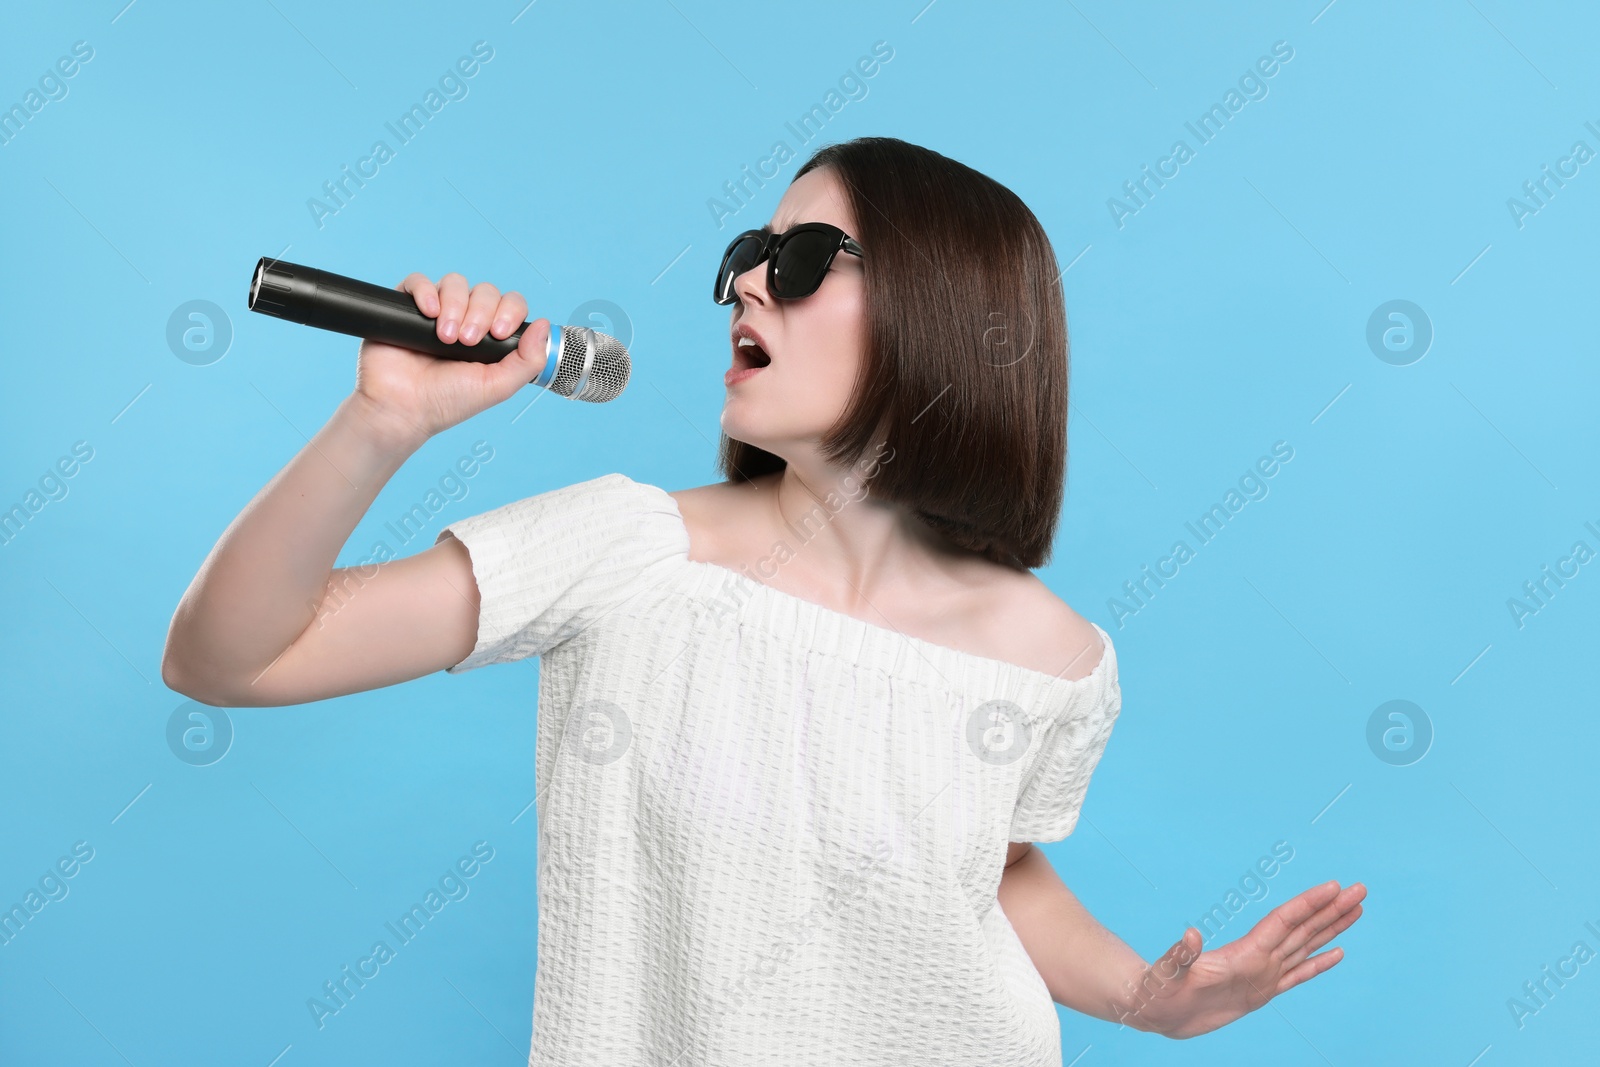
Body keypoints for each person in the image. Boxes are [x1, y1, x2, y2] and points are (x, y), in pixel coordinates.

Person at [163, 136, 1364, 1063]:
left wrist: (1143, 999)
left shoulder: (1054, 658)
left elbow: (984, 867)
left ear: (944, 314)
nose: (744, 285)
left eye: (794, 261)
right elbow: (232, 659)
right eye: (748, 252)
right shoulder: (624, 546)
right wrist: (384, 424)